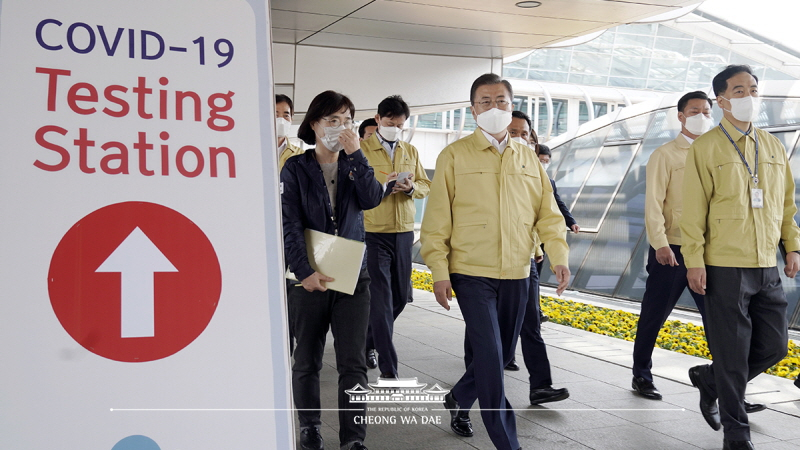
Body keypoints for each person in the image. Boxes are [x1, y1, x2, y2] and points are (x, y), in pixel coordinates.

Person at [421, 73, 570, 450]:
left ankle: (458, 398)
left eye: (501, 100)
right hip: (471, 272)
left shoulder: (529, 159)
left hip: (519, 270)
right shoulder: (453, 156)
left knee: (501, 354)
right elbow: (436, 222)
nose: (494, 107)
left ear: (512, 105)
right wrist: (439, 273)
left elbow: (548, 215)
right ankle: (508, 443)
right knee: (490, 356)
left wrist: (559, 257)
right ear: (473, 110)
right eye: (485, 101)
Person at [682, 65, 800, 450]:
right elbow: (693, 210)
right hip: (724, 265)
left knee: (775, 346)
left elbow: (785, 204)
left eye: (752, 88)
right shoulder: (706, 148)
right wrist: (695, 261)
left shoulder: (772, 145)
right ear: (721, 100)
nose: (748, 96)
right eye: (738, 90)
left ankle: (710, 380)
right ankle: (736, 435)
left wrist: (792, 245)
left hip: (766, 263)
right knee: (733, 356)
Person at [281, 90, 383, 450]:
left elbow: (372, 198)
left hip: (353, 276)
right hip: (307, 279)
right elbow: (289, 224)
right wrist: (304, 271)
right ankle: (309, 426)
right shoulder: (296, 167)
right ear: (314, 123)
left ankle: (353, 438)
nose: (341, 127)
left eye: (347, 120)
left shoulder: (356, 162)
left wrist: (356, 154)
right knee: (306, 358)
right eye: (332, 120)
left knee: (352, 363)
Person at [632, 91, 712, 401]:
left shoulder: (715, 153)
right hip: (673, 251)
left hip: (706, 251)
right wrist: (660, 244)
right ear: (680, 116)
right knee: (654, 313)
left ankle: (725, 383)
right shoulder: (664, 154)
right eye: (695, 111)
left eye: (706, 111)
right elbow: (653, 204)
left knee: (716, 319)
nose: (702, 116)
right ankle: (642, 375)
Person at [361, 95, 431, 378]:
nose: (395, 128)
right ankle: (389, 370)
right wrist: (383, 186)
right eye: (390, 123)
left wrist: (411, 187)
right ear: (378, 120)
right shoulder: (361, 150)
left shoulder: (410, 150)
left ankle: (366, 341)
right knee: (381, 298)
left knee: (401, 297)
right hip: (373, 231)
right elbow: (354, 191)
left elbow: (426, 185)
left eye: (400, 124)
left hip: (403, 233)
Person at [276, 94, 304, 169]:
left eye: (286, 116)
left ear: (291, 119)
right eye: (276, 115)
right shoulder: (254, 150)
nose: (281, 121)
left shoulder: (300, 155)